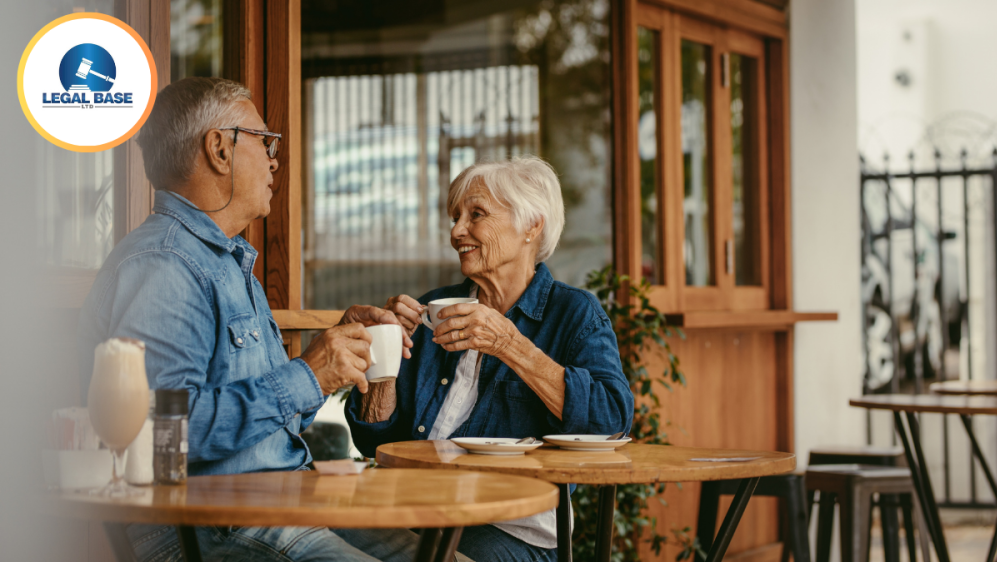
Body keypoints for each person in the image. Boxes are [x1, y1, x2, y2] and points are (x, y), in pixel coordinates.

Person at [77, 77, 424, 562]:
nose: (274, 158)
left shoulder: (226, 260)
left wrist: (325, 365)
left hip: (281, 504)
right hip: (209, 525)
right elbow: (165, 436)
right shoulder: (165, 264)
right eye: (265, 141)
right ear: (219, 148)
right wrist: (307, 374)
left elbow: (270, 420)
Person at [341, 156, 634, 562]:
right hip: (414, 511)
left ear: (532, 226)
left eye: (475, 214)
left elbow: (612, 421)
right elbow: (374, 441)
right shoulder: (433, 309)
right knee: (308, 539)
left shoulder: (573, 314)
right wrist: (386, 355)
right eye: (455, 217)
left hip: (511, 530)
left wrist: (510, 345)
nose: (457, 231)